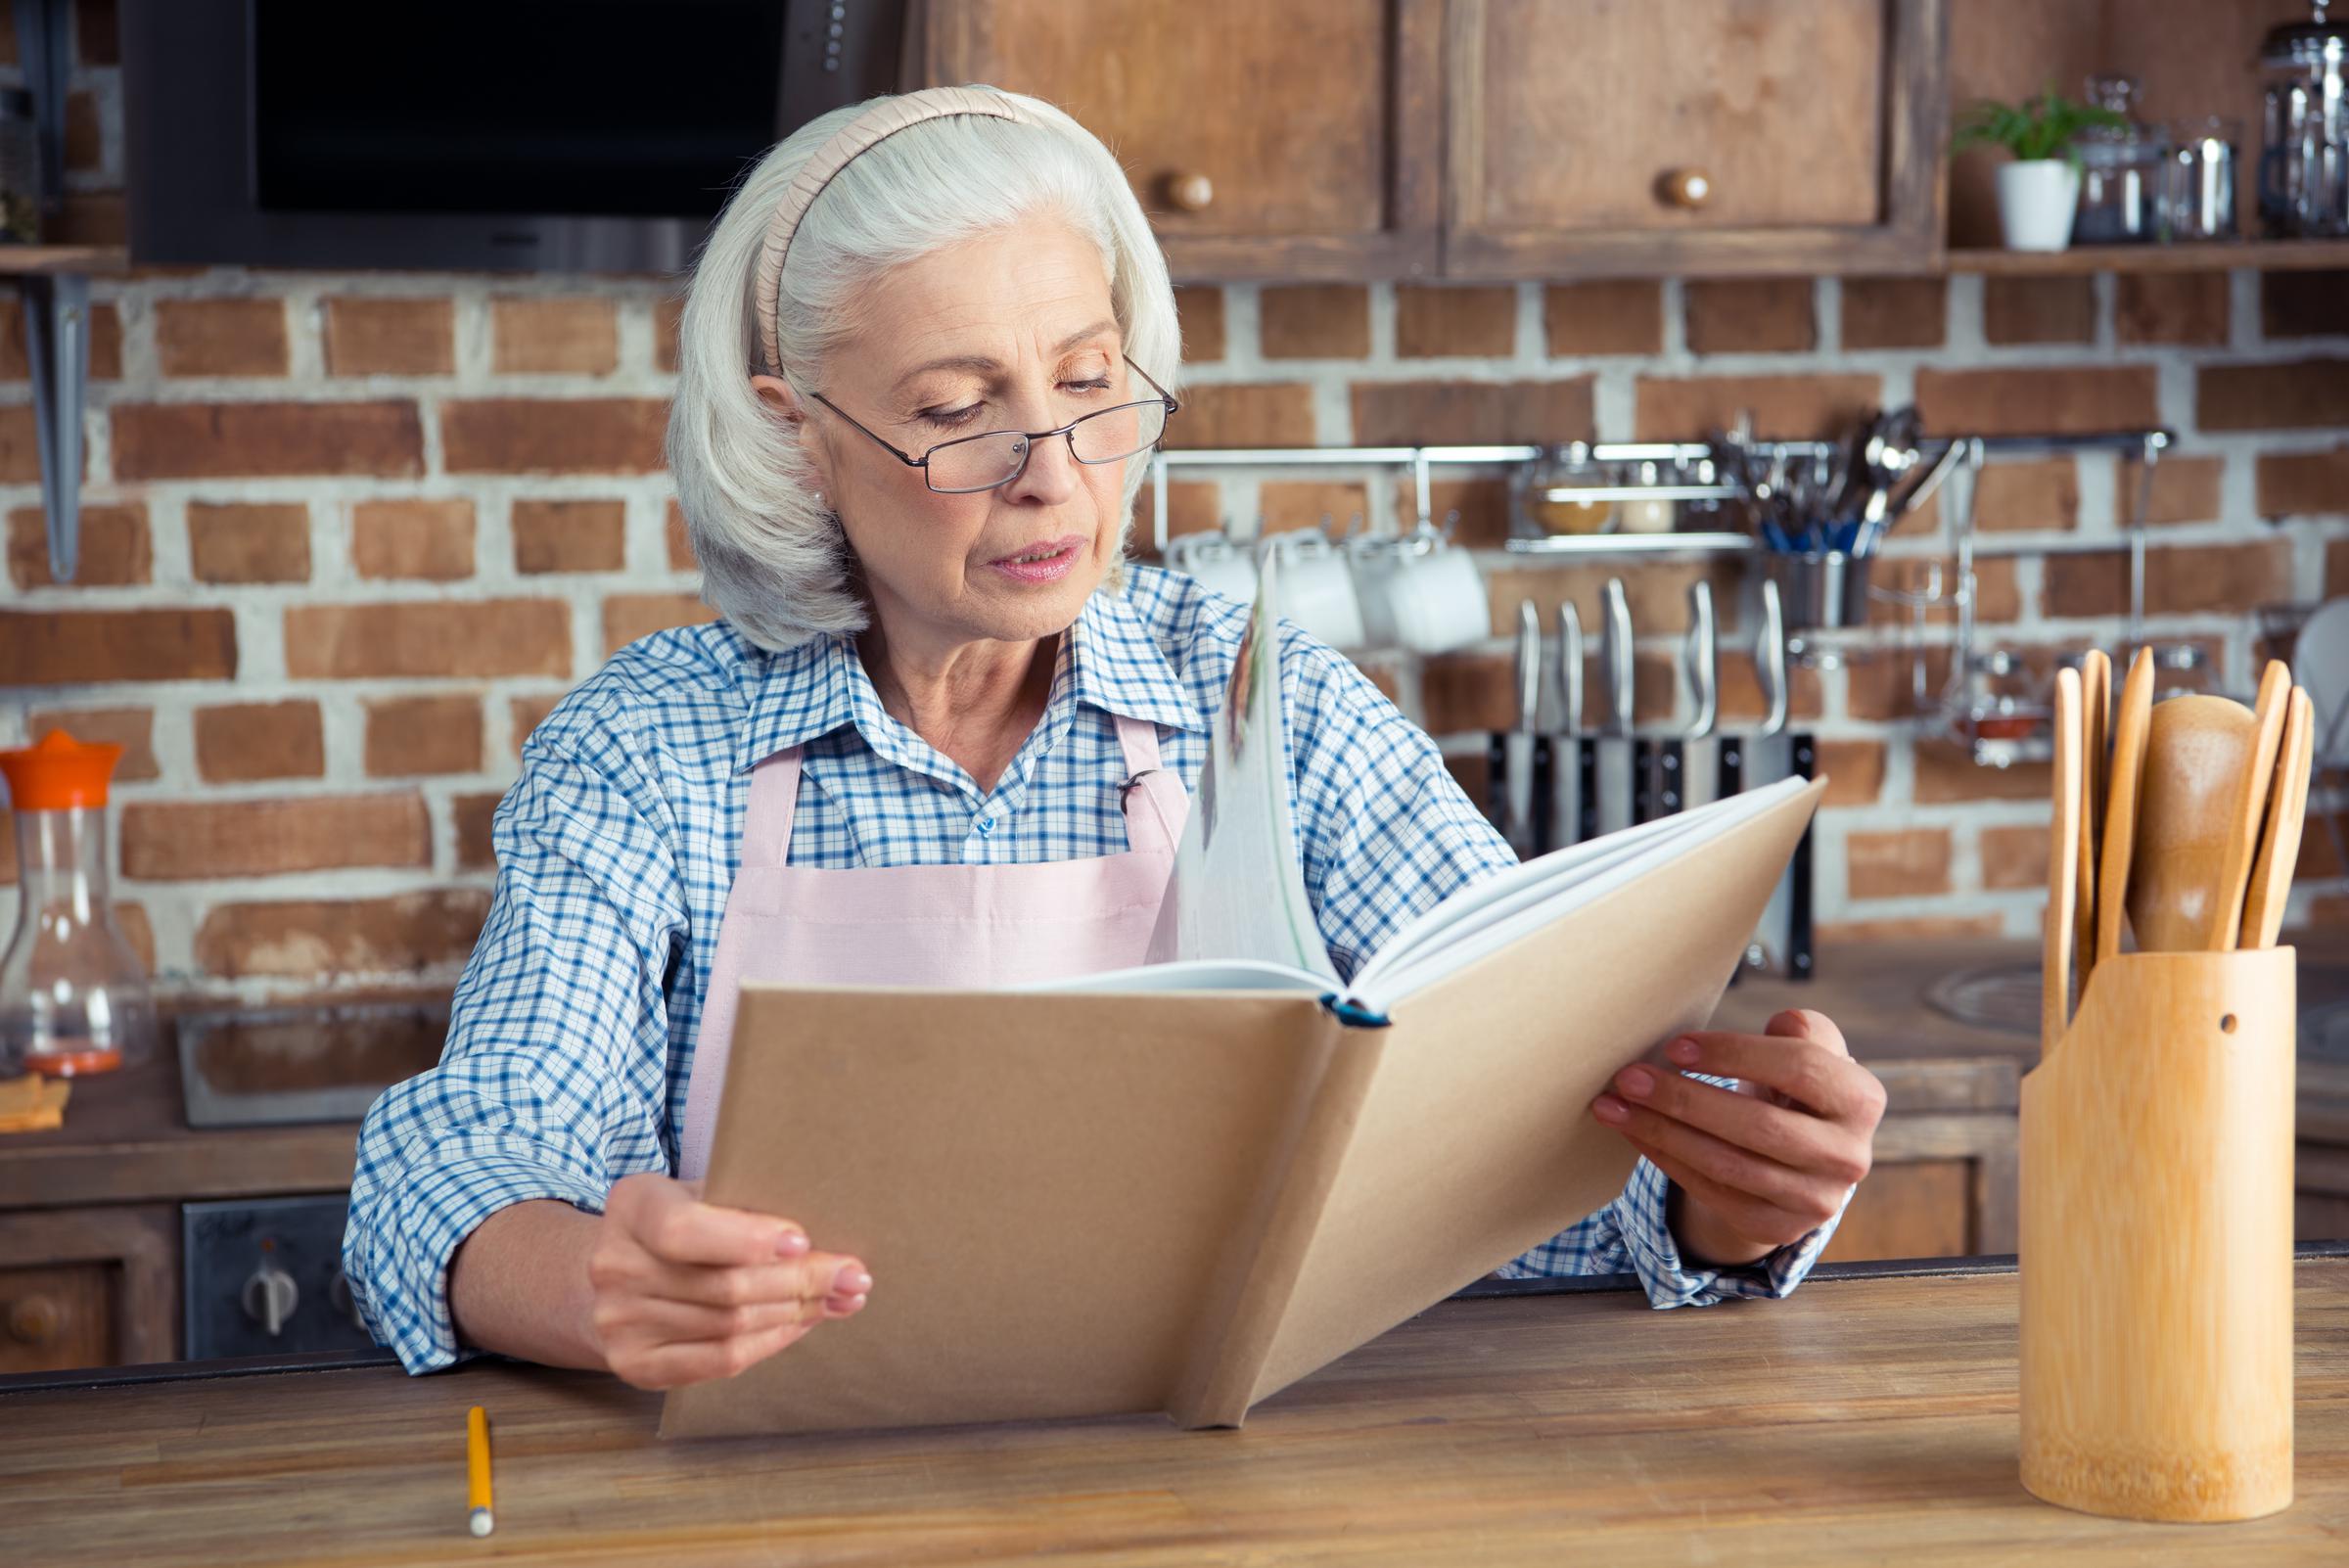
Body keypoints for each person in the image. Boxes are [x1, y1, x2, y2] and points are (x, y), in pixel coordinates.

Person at [345, 85, 1886, 1390]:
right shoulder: (652, 749)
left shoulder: (1266, 710)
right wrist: (600, 1285)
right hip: (776, 1505)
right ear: (799, 438)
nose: (1053, 473)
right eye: (960, 409)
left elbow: (1522, 1162)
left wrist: (1723, 1198)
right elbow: (457, 1167)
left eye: (1088, 383)